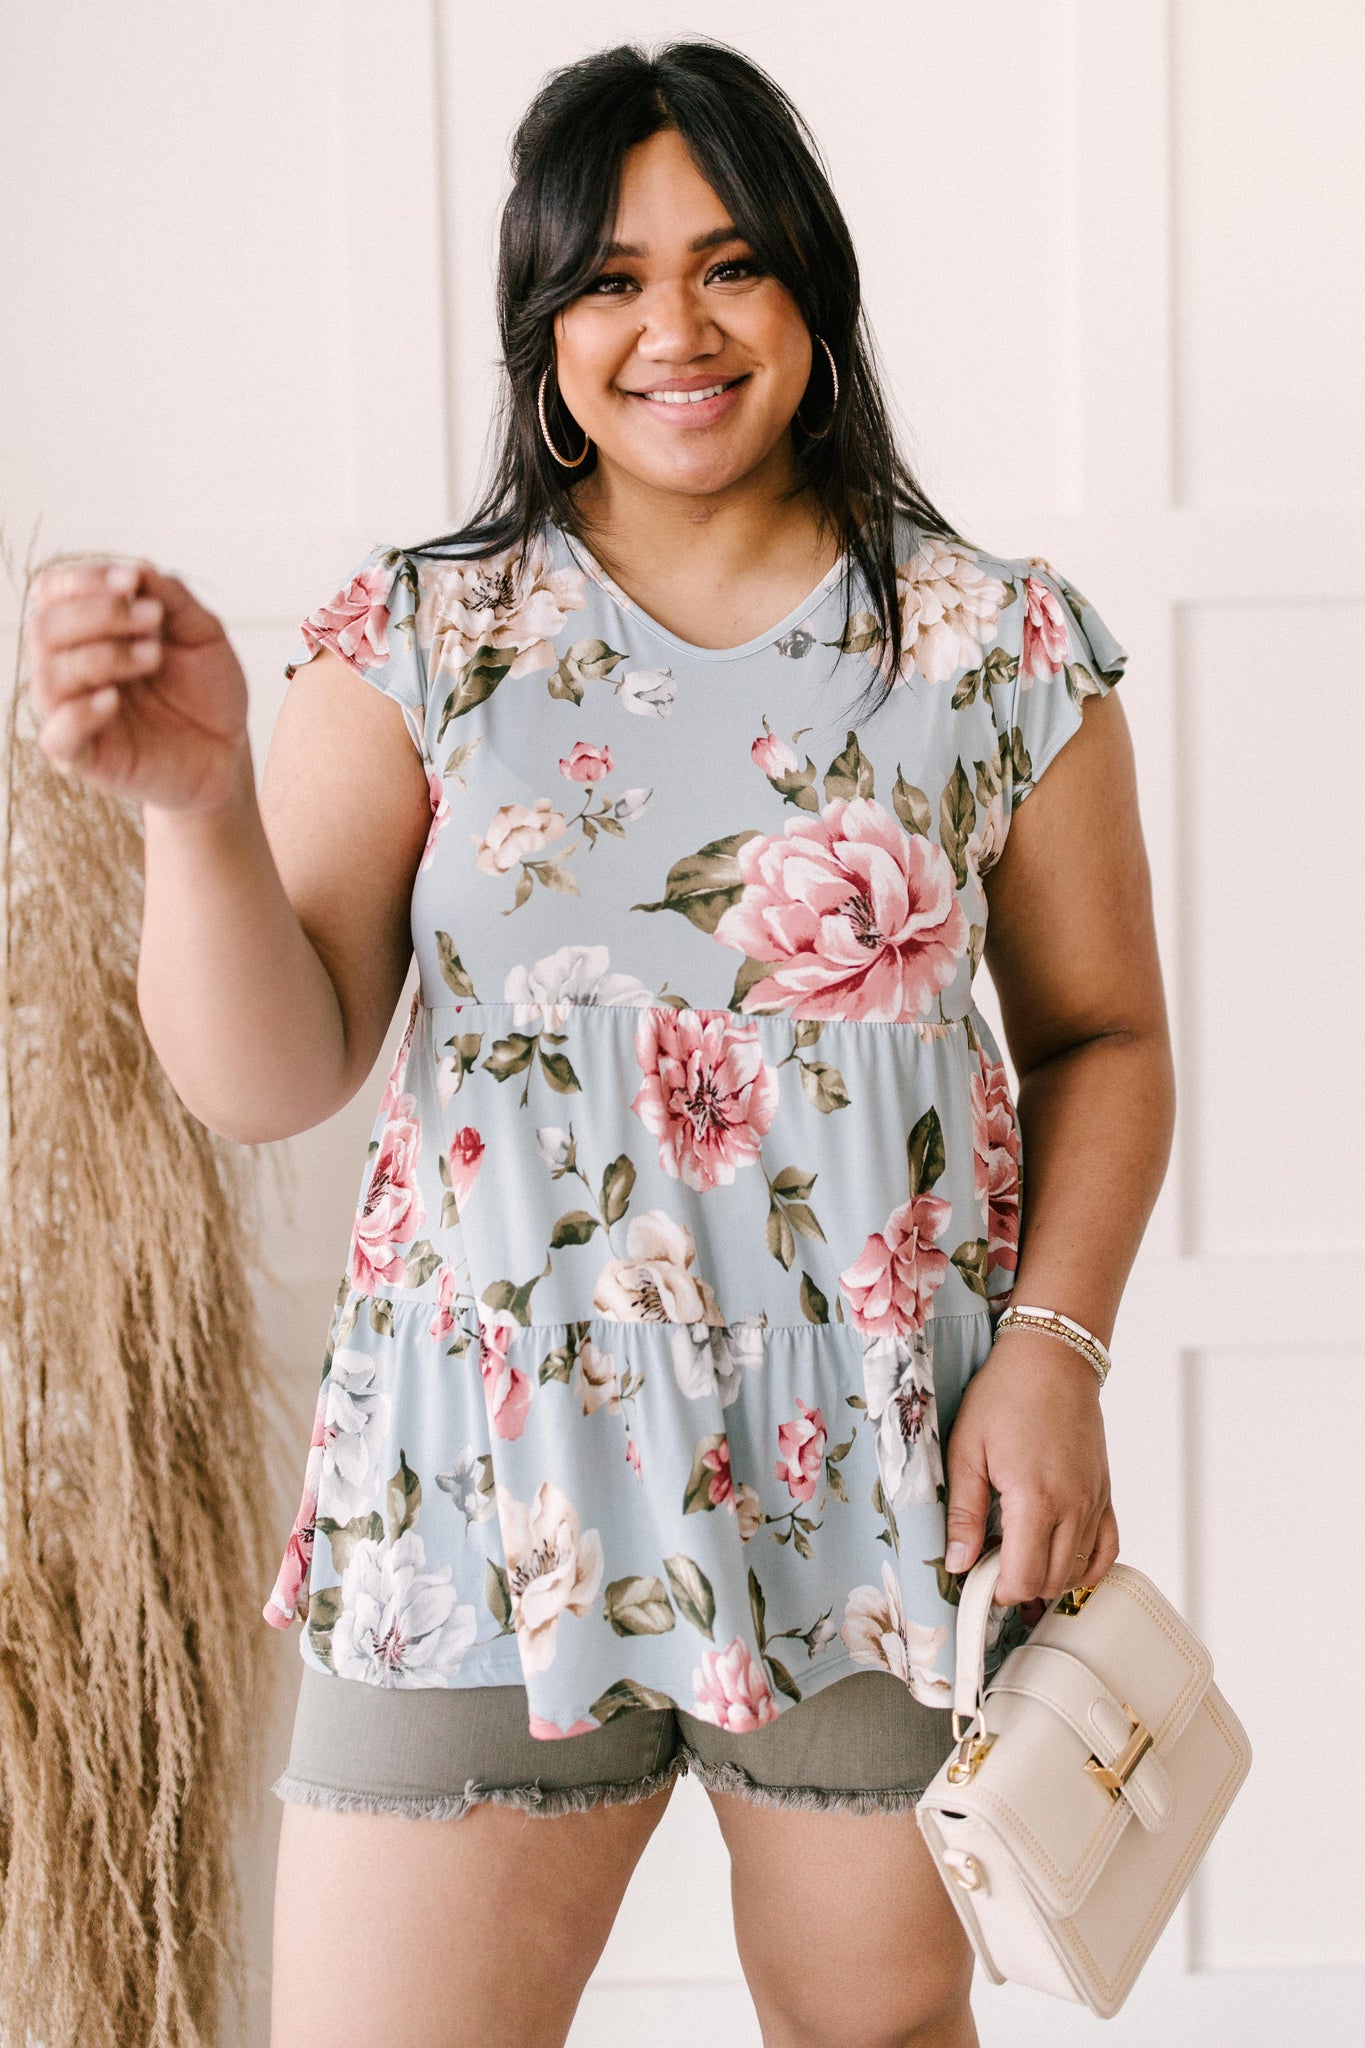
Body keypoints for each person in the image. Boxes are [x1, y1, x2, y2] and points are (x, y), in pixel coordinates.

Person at [23, 38, 1175, 2048]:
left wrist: (1053, 1360)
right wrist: (194, 809)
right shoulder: (411, 643)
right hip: (478, 1479)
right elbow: (268, 1072)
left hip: (874, 1480)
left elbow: (1101, 1036)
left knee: (874, 2030)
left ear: (810, 292)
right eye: (609, 279)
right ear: (537, 322)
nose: (673, 329)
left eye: (728, 265)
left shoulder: (993, 646)